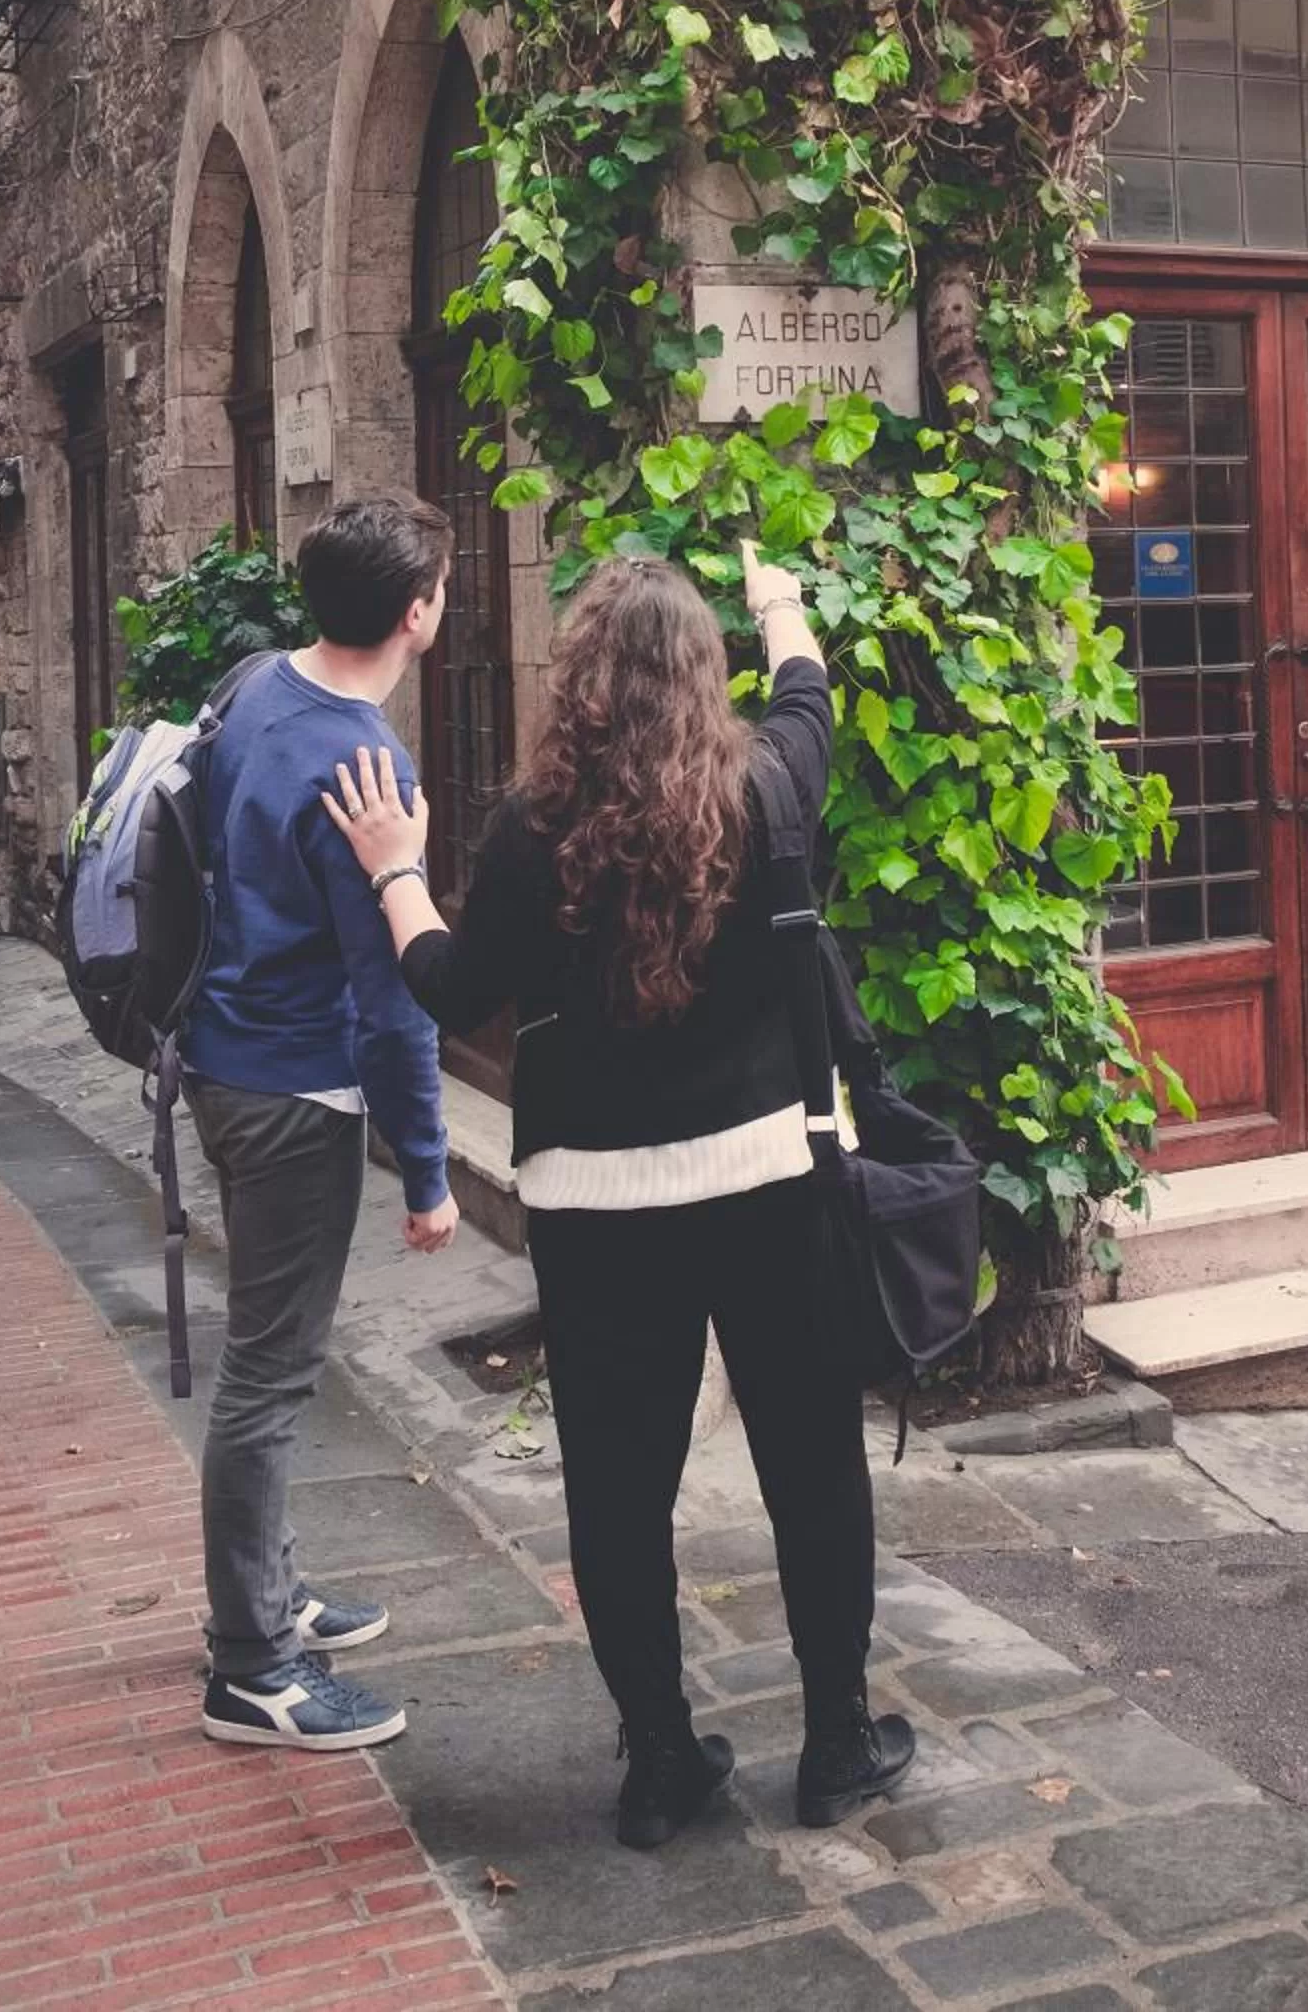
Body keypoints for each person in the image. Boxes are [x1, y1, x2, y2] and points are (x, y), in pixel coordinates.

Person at [322, 540, 916, 1849]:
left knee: (619, 1487)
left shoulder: (534, 834)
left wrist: (394, 870)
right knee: (813, 1467)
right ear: (703, 674)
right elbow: (809, 699)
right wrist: (783, 605)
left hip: (598, 1212)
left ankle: (661, 1763)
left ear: (581, 678)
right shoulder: (764, 790)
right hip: (768, 1182)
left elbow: (457, 990)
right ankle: (835, 1746)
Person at [184, 491, 461, 1754]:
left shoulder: (255, 685)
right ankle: (251, 1665)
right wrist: (426, 1169)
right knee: (269, 1371)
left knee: (266, 1358)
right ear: (418, 612)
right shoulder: (367, 768)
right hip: (293, 1086)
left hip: (224, 1056)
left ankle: (271, 1589)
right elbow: (394, 993)